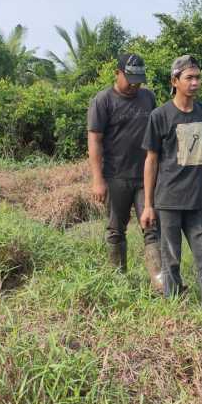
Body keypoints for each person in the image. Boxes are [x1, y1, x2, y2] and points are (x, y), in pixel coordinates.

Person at [140, 55, 202, 317]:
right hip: (168, 202)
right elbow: (151, 161)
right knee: (171, 262)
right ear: (174, 81)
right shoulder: (160, 116)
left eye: (198, 77)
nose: (195, 82)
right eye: (189, 77)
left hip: (198, 201)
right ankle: (175, 314)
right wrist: (148, 206)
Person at [87, 53, 163, 293]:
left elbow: (158, 135)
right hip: (115, 177)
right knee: (115, 231)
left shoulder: (148, 98)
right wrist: (98, 180)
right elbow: (95, 141)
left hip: (145, 178)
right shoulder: (103, 101)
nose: (134, 85)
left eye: (138, 80)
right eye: (129, 79)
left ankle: (160, 285)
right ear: (117, 73)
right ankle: (117, 282)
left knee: (151, 228)